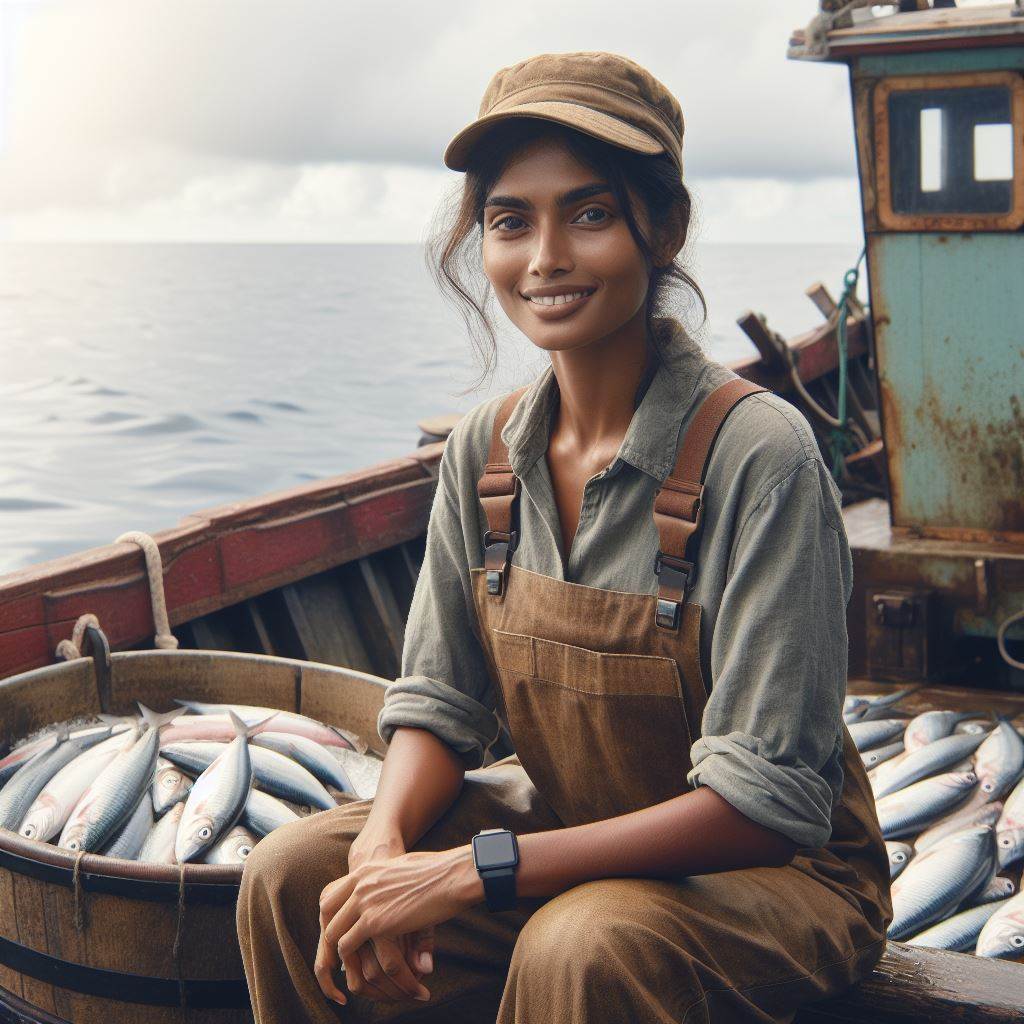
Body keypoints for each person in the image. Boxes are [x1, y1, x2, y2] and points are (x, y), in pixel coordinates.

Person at [237, 50, 892, 1024]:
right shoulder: (485, 453)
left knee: (579, 941)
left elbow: (768, 804)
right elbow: (437, 703)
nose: (543, 256)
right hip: (575, 831)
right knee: (293, 876)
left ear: (661, 226)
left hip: (783, 878)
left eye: (587, 214)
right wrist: (382, 847)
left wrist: (475, 870)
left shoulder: (761, 455)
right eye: (510, 221)